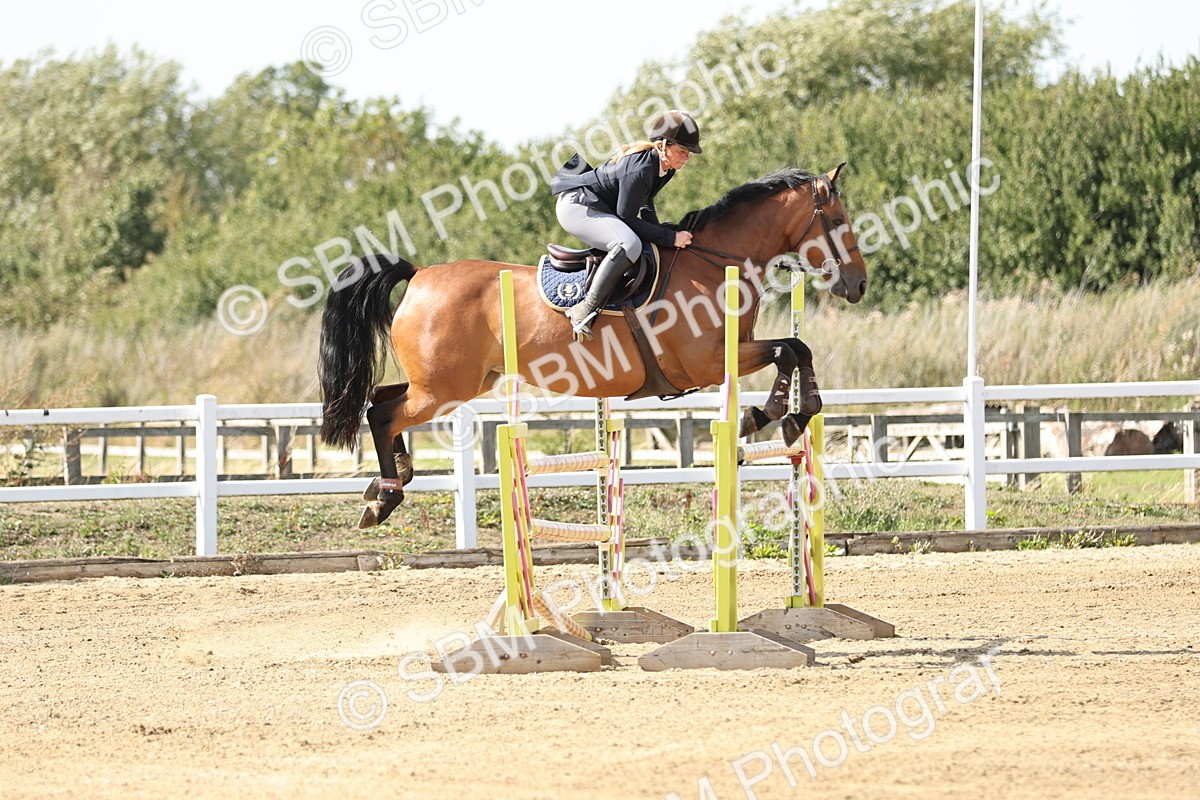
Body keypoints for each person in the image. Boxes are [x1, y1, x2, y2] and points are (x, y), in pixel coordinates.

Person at [550, 109, 701, 339]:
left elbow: (645, 203)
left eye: (688, 152)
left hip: (596, 205)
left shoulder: (664, 168)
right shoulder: (641, 168)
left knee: (647, 238)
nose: (686, 157)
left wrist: (662, 231)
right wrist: (670, 237)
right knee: (629, 244)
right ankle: (584, 309)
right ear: (662, 146)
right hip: (577, 206)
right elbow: (627, 218)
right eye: (682, 151)